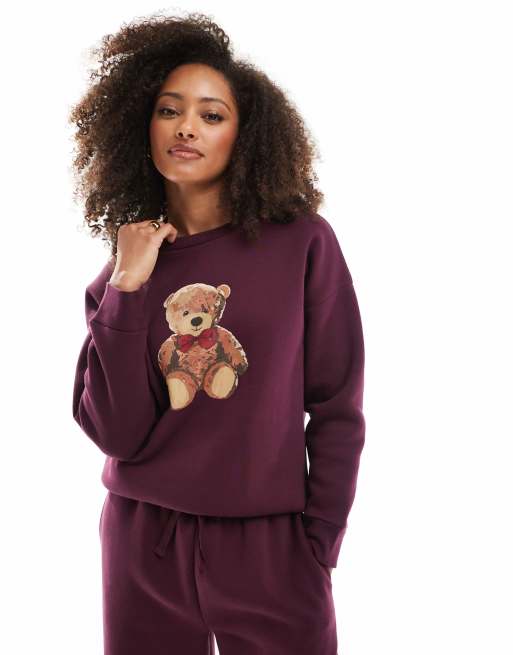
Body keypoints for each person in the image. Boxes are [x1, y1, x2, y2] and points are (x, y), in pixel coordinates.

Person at [70, 11, 366, 655]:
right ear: (140, 126)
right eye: (168, 110)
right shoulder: (121, 275)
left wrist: (320, 537)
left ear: (246, 133)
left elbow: (337, 403)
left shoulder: (303, 244)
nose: (186, 127)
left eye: (211, 114)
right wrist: (127, 286)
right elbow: (116, 433)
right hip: (143, 541)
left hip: (272, 543)